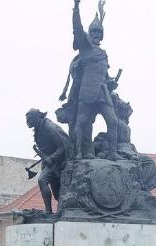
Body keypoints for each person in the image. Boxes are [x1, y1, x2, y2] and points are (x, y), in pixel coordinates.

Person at [60, 0, 121, 160]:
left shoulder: (103, 53)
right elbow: (77, 28)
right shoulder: (85, 47)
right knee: (82, 123)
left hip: (102, 92)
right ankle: (80, 153)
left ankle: (113, 153)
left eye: (98, 32)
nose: (96, 34)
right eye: (93, 32)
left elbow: (105, 76)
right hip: (87, 91)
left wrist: (111, 82)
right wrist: (76, 8)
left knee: (113, 121)